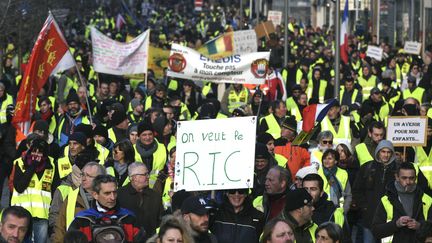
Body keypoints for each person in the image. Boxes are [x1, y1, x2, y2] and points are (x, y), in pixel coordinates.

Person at [68, 175, 145, 242]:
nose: (112, 197)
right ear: (95, 195)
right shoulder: (82, 220)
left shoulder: (129, 218)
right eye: (107, 193)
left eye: (114, 192)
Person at [11, 138, 57, 243]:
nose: (36, 154)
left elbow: (54, 191)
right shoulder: (20, 163)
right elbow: (19, 186)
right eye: (34, 150)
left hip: (42, 215)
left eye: (40, 151)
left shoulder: (52, 166)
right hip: (21, 214)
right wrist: (33, 166)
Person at [372, 162, 432, 242]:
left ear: (416, 178)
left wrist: (420, 226)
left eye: (411, 178)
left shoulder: (427, 200)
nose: (408, 181)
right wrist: (396, 224)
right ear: (397, 177)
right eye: (404, 178)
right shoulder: (386, 200)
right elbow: (376, 231)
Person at [352, 140, 398, 242]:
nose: (385, 155)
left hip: (389, 218)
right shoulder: (367, 167)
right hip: (369, 216)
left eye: (388, 152)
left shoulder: (397, 170)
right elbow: (357, 189)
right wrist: (364, 207)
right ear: (378, 152)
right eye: (383, 152)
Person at [52, 162, 106, 243]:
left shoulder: (108, 197)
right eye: (83, 175)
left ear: (99, 179)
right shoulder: (71, 197)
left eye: (89, 176)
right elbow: (60, 227)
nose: (84, 178)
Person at [118, 163, 163, 239]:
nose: (148, 177)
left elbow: (160, 221)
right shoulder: (119, 195)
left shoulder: (155, 196)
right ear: (134, 177)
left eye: (147, 174)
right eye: (145, 174)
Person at [133, 121, 167, 188]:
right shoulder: (132, 149)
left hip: (159, 186)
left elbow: (167, 169)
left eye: (150, 134)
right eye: (144, 135)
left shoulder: (162, 148)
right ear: (139, 136)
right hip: (137, 187)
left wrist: (159, 182)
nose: (148, 137)